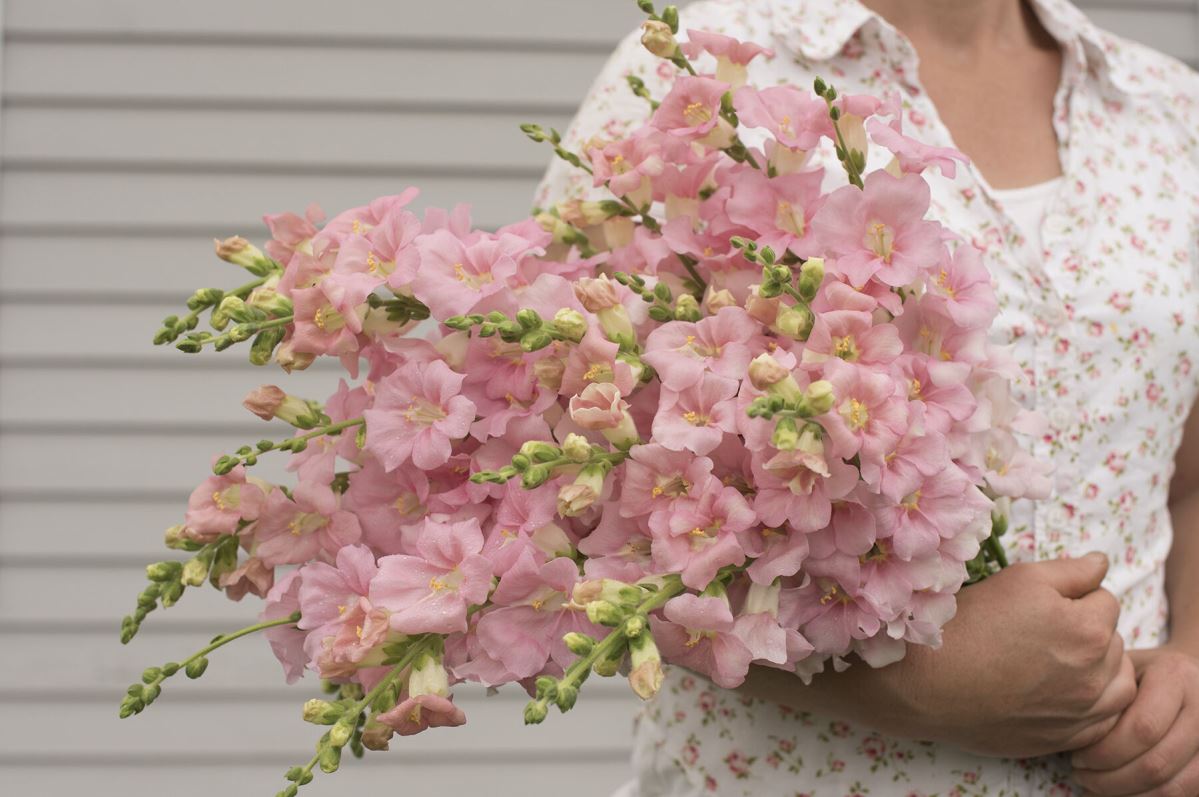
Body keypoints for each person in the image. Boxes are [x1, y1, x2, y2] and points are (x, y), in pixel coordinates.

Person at [535, 0, 1199, 794]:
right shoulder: (688, 69)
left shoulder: (1163, 107)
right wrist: (913, 682)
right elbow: (554, 506)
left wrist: (1191, 673)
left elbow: (1185, 472)